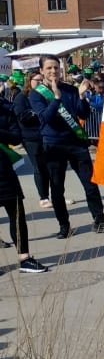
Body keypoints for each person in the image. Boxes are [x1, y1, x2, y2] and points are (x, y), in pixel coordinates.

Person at [28, 55, 104, 238]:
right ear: (41, 71)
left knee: (90, 184)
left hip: (76, 142)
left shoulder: (70, 89)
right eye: (49, 68)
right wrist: (55, 98)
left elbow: (83, 113)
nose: (53, 71)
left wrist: (80, 96)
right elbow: (45, 118)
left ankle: (100, 220)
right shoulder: (36, 93)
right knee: (57, 188)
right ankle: (64, 225)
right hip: (53, 144)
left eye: (56, 67)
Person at [0, 89, 49, 272]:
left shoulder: (6, 109)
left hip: (4, 170)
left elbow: (15, 136)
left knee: (17, 214)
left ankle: (25, 258)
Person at [12, 71, 51, 209]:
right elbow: (21, 116)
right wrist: (37, 113)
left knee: (52, 167)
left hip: (47, 136)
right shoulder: (22, 97)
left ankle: (57, 195)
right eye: (37, 80)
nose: (40, 83)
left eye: (42, 80)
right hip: (31, 137)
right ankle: (43, 197)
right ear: (30, 81)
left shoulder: (46, 96)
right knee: (39, 166)